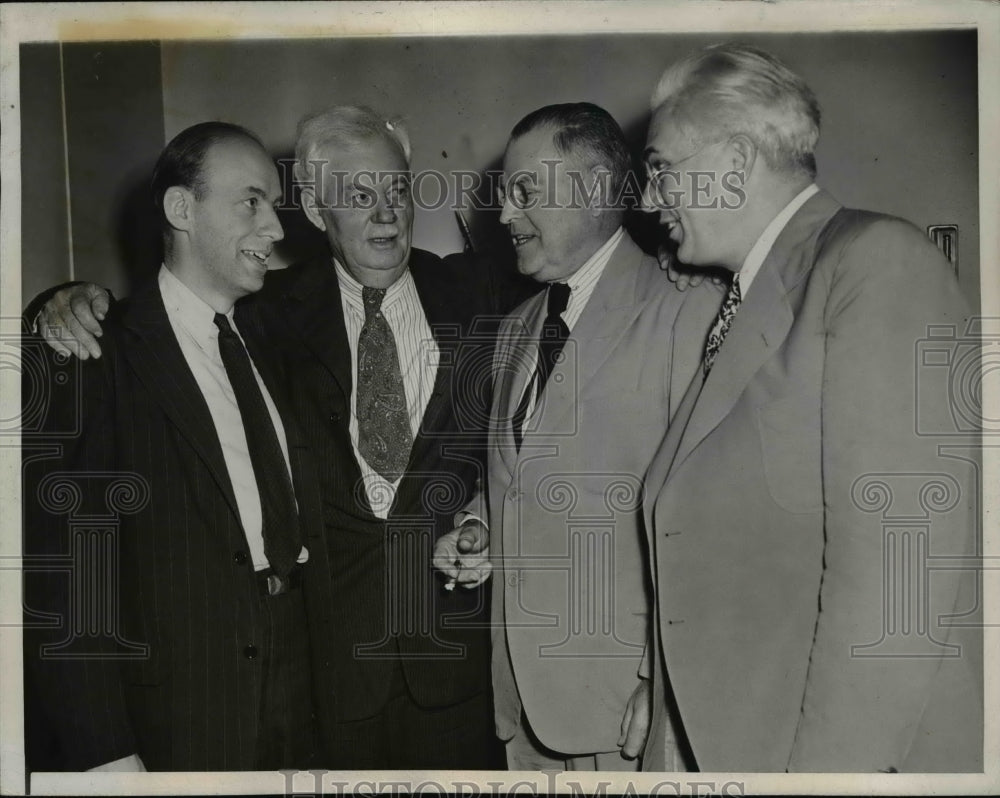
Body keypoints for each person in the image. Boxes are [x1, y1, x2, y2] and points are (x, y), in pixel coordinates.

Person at [31, 106, 514, 769]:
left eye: (397, 190)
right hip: (325, 679)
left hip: (456, 666)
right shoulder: (267, 309)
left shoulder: (481, 291)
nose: (386, 214)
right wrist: (61, 304)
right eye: (359, 196)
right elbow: (163, 316)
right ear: (316, 212)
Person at [639, 43, 981, 772]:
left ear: (733, 162)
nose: (648, 198)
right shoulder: (742, 303)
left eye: (662, 168)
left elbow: (896, 587)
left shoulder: (872, 263)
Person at [22, 122, 333, 771]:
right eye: (251, 201)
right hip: (179, 719)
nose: (275, 229)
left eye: (273, 206)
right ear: (180, 209)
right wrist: (104, 752)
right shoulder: (99, 354)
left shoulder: (278, 335)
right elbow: (68, 577)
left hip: (300, 698)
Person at [437, 103, 721, 771]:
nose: (505, 214)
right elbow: (523, 479)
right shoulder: (513, 329)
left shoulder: (688, 313)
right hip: (521, 712)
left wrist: (663, 680)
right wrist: (480, 522)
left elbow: (712, 524)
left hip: (629, 711)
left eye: (525, 191)